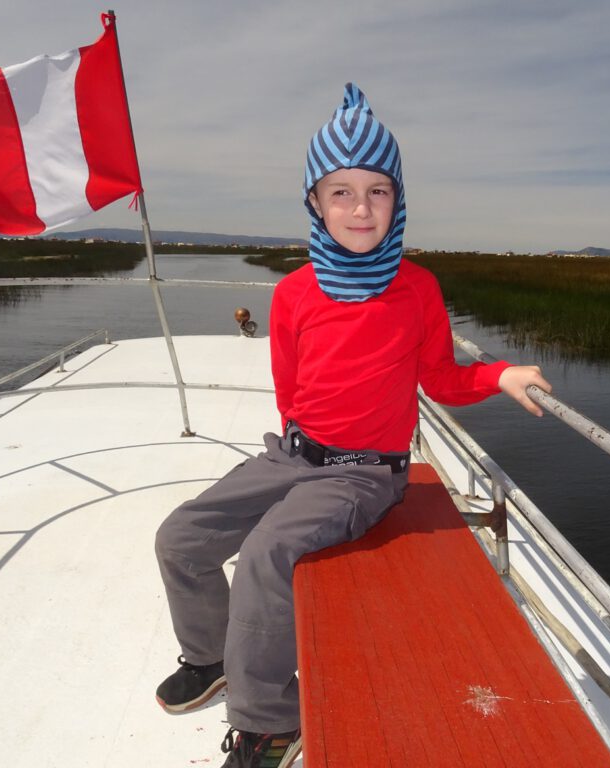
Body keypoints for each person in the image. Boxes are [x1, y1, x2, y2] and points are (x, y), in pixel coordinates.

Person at [153, 83, 552, 768]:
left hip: (368, 472)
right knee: (180, 537)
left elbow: (442, 380)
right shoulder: (293, 293)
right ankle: (212, 654)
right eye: (340, 191)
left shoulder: (416, 288)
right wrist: (286, 465)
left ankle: (271, 724)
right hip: (296, 455)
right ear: (314, 201)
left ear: (398, 202)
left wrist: (499, 375)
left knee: (265, 556)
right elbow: (291, 387)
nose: (360, 207)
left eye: (377, 190)